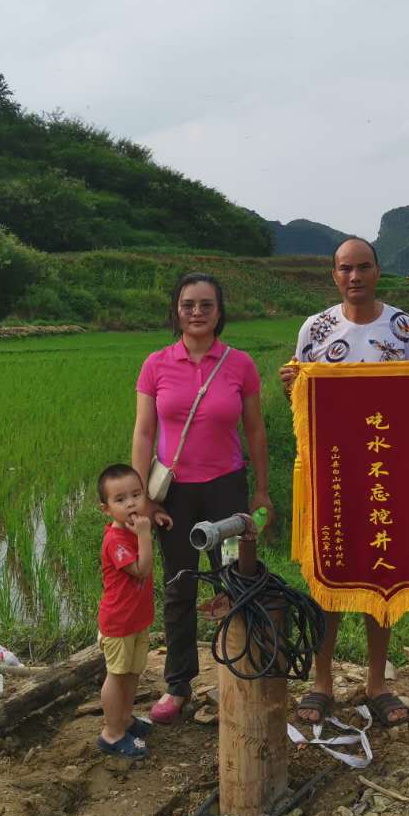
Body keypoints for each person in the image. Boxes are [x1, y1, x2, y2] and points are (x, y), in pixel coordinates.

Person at [279, 236, 409, 727]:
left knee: (380, 574)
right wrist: (292, 389)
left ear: (377, 271)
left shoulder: (402, 327)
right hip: (331, 474)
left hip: (383, 470)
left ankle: (377, 682)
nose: (354, 276)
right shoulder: (315, 328)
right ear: (334, 274)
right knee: (328, 577)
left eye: (363, 267)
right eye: (345, 268)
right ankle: (322, 682)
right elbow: (300, 407)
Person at [132, 273, 273, 725]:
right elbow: (144, 431)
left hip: (227, 491)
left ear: (219, 311)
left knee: (235, 581)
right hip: (174, 494)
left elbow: (254, 430)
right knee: (179, 587)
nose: (196, 312)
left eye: (206, 305)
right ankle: (178, 685)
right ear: (176, 309)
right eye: (188, 304)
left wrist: (262, 489)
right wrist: (144, 499)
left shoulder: (239, 364)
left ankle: (241, 673)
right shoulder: (156, 364)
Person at [94, 463, 167, 759]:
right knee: (117, 674)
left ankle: (124, 719)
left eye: (136, 495)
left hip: (137, 620)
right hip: (119, 622)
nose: (131, 504)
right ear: (106, 508)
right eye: (120, 500)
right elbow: (142, 569)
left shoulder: (132, 531)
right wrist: (145, 534)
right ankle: (111, 734)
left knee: (133, 672)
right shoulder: (116, 540)